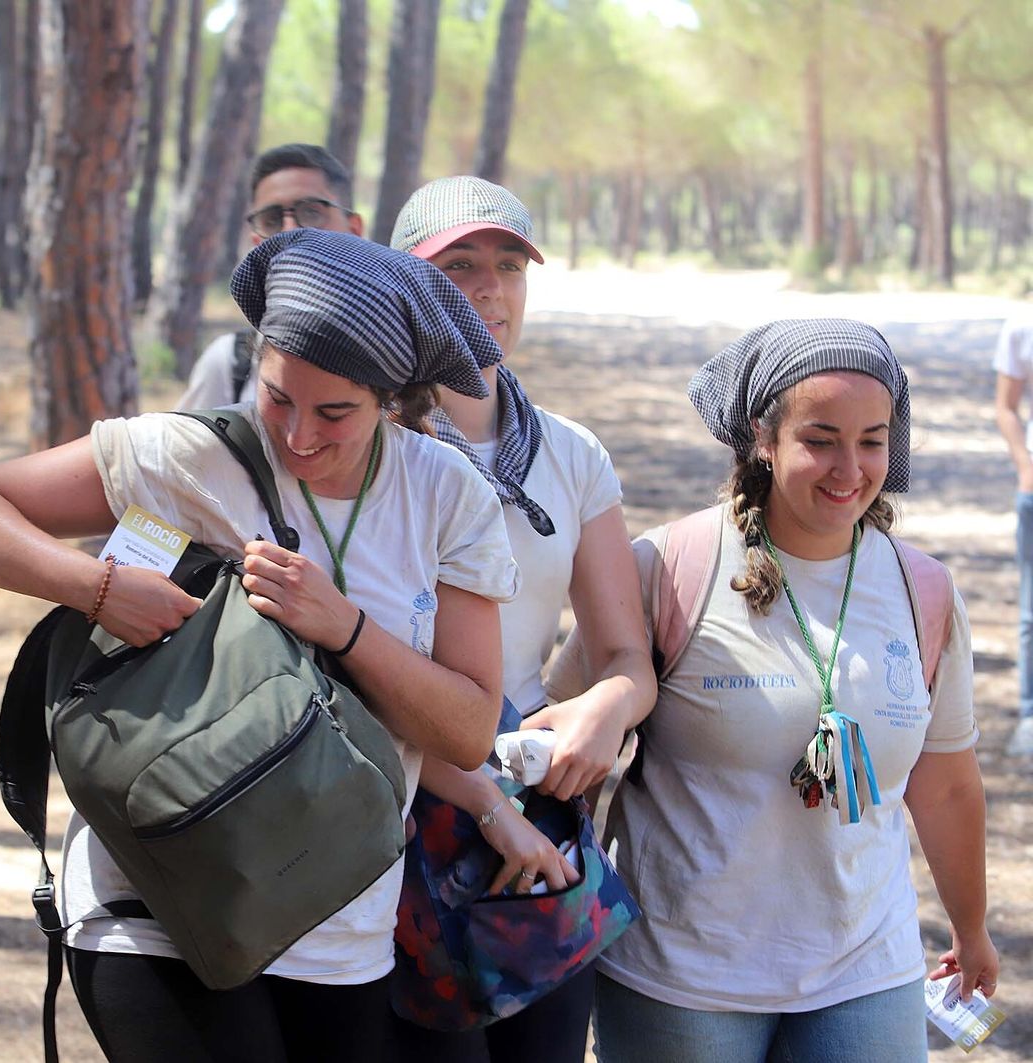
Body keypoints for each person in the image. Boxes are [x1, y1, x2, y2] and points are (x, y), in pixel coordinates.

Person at [0, 228, 517, 1062]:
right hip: (150, 908)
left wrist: (340, 624)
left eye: (335, 411)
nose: (299, 434)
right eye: (277, 397)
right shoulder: (186, 453)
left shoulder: (447, 496)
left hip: (338, 924)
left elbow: (467, 730)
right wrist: (94, 587)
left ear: (391, 396)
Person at [590, 320, 995, 1062]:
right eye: (821, 438)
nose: (850, 467)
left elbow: (944, 787)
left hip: (866, 967)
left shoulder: (924, 589)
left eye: (872, 440)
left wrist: (971, 928)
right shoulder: (668, 566)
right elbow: (577, 747)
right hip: (683, 976)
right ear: (763, 439)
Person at [386, 176, 657, 1062]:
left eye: (509, 265)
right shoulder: (362, 443)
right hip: (388, 813)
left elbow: (625, 652)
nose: (489, 289)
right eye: (457, 265)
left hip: (533, 818)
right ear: (403, 281)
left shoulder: (572, 454)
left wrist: (603, 711)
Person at [177, 143, 365, 410]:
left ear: (354, 230)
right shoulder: (228, 365)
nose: (289, 231)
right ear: (257, 243)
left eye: (312, 212)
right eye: (272, 220)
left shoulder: (403, 357)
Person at [993, 311, 1033, 757]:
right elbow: (1005, 405)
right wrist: (1025, 465)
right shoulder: (1022, 326)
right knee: (1031, 609)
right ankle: (1029, 713)